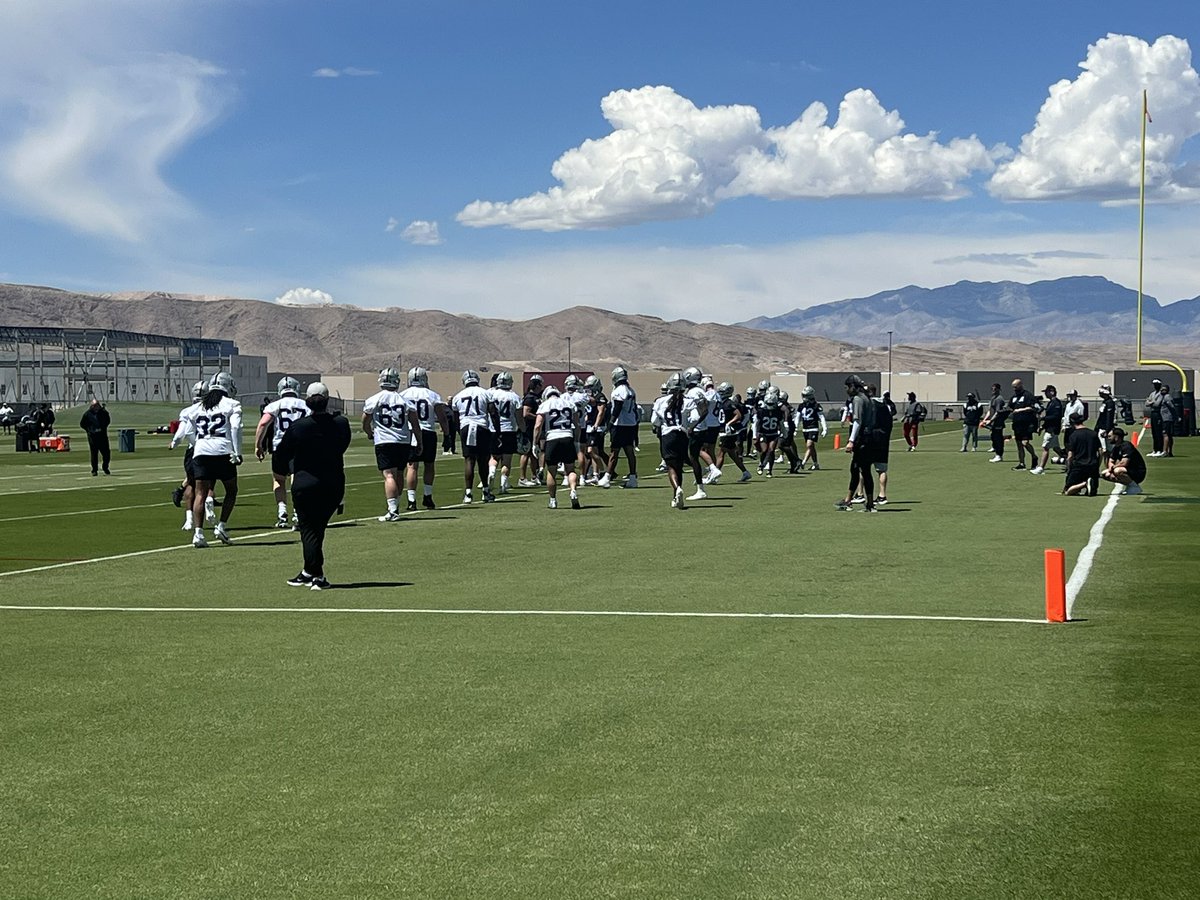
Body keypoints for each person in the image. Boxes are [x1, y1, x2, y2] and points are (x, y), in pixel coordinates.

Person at [272, 382, 352, 591]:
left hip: (306, 483)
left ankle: (316, 574)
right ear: (327, 401)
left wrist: (284, 471)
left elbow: (281, 454)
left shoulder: (299, 427)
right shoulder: (341, 423)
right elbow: (343, 444)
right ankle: (310, 571)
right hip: (333, 483)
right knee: (317, 529)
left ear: (308, 402)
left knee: (310, 530)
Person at [175, 372, 243, 548]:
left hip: (201, 452)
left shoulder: (196, 407)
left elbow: (188, 430)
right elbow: (235, 428)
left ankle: (198, 534)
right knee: (231, 490)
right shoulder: (232, 404)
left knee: (200, 494)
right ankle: (221, 526)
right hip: (222, 451)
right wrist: (237, 452)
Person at [363, 367, 422, 521]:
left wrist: (370, 433)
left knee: (389, 475)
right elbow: (415, 424)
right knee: (399, 473)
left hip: (384, 440)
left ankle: (393, 509)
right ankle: (395, 505)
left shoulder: (374, 399)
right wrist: (419, 441)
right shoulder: (404, 400)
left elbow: (365, 421)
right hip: (403, 440)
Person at [255, 376, 309, 528]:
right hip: (300, 447)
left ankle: (282, 512)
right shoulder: (306, 405)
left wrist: (258, 445)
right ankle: (297, 514)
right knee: (296, 478)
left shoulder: (275, 405)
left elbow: (263, 423)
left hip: (280, 446)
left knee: (278, 479)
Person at [399, 366, 449, 510]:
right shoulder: (432, 395)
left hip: (410, 432)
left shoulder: (403, 395)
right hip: (427, 431)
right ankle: (427, 496)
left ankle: (411, 500)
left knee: (412, 466)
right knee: (429, 465)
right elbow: (442, 418)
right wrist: (446, 434)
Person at [452, 369, 500, 504]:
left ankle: (468, 493)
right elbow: (493, 412)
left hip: (466, 427)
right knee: (483, 460)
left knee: (469, 460)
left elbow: (456, 420)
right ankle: (485, 491)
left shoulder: (457, 396)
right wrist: (497, 431)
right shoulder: (485, 393)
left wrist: (459, 431)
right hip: (481, 427)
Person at [533, 384, 581, 509]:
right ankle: (573, 491)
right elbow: (577, 424)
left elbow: (538, 426)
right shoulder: (568, 403)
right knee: (570, 469)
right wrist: (576, 440)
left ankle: (553, 500)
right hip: (567, 437)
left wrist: (534, 442)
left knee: (551, 471)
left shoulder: (544, 405)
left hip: (552, 439)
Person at [170, 381, 208, 531]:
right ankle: (208, 512)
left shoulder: (188, 411)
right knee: (206, 484)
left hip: (192, 450)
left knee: (192, 483)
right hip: (207, 449)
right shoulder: (213, 409)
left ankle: (189, 520)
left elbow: (182, 432)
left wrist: (174, 443)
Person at [837, 375, 879, 513]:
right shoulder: (867, 399)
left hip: (863, 439)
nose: (847, 390)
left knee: (861, 470)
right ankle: (850, 500)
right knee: (857, 470)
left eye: (848, 387)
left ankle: (868, 504)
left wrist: (851, 440)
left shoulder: (858, 399)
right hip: (869, 438)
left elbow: (857, 421)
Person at [651, 372, 689, 509]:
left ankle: (677, 489)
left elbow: (654, 421)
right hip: (683, 435)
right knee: (679, 466)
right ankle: (676, 496)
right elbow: (694, 418)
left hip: (668, 435)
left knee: (671, 466)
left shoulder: (660, 401)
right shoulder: (688, 400)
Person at [599, 366, 639, 489]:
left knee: (614, 452)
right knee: (629, 452)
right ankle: (632, 478)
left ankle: (607, 477)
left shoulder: (619, 391)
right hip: (630, 424)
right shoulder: (630, 390)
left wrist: (609, 424)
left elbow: (617, 409)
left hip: (620, 424)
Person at [488, 371, 523, 493]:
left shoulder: (490, 394)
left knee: (494, 457)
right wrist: (523, 430)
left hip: (493, 429)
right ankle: (503, 484)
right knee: (506, 460)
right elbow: (519, 417)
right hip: (509, 430)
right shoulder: (515, 397)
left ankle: (491, 472)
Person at [713, 381, 752, 482]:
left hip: (728, 432)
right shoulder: (721, 402)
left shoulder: (729, 403)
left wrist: (729, 423)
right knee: (732, 454)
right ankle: (745, 472)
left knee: (721, 453)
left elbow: (738, 415)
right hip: (724, 430)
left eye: (722, 391)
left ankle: (714, 475)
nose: (720, 393)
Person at [1063, 413, 1101, 497]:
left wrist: (1069, 467)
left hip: (1079, 466)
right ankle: (1089, 483)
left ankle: (1084, 484)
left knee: (1068, 491)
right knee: (1092, 492)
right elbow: (1100, 451)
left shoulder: (1073, 435)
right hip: (1092, 466)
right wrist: (1097, 464)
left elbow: (1070, 455)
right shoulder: (1093, 434)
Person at [1101, 426, 1146, 495]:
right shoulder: (1116, 447)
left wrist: (1113, 468)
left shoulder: (1127, 446)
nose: (1108, 438)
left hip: (1137, 471)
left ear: (1116, 437)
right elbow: (1111, 460)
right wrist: (1110, 468)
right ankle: (1129, 485)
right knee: (1105, 474)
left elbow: (1124, 462)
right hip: (1127, 470)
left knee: (1117, 471)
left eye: (1110, 436)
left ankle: (1134, 487)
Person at [517, 373, 544, 486]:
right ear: (537, 385)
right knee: (526, 453)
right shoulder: (529, 398)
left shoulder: (536, 397)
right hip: (529, 428)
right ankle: (522, 478)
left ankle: (534, 476)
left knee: (534, 453)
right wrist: (539, 417)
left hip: (534, 428)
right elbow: (525, 413)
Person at [1032, 385, 1064, 475]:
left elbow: (1056, 417)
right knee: (1056, 448)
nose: (1045, 394)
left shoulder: (1056, 403)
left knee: (1045, 447)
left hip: (1053, 429)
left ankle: (1041, 468)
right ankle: (1068, 460)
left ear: (1052, 392)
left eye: (1046, 392)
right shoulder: (1050, 403)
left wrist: (1044, 418)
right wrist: (1042, 426)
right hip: (1049, 428)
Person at [1008, 379, 1039, 471]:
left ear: (1021, 385)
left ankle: (1034, 456)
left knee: (1025, 443)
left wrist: (1020, 410)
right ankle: (1022, 463)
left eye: (1016, 387)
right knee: (1019, 444)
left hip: (1026, 423)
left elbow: (1033, 407)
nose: (1014, 389)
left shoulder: (1028, 395)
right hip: (1017, 424)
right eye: (1013, 387)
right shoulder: (1014, 397)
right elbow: (1010, 406)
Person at [797, 386, 827, 471]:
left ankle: (803, 463)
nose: (804, 397)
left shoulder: (816, 405)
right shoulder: (801, 406)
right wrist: (795, 427)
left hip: (813, 427)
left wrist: (824, 428)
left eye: (806, 395)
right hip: (805, 428)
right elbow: (797, 417)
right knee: (811, 447)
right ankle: (815, 464)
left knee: (809, 445)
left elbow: (821, 417)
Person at [79, 398, 112, 476]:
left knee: (106, 453)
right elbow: (82, 424)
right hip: (93, 437)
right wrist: (89, 430)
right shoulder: (87, 414)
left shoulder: (103, 413)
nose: (96, 407)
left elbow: (108, 420)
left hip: (102, 436)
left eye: (97, 405)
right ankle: (94, 470)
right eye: (95, 405)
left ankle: (105, 467)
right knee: (94, 454)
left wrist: (103, 428)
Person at [981, 383, 1008, 462]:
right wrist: (985, 419)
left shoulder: (999, 399)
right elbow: (990, 410)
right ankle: (997, 454)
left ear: (999, 389)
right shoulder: (993, 398)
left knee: (998, 439)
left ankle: (999, 455)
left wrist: (991, 420)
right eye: (992, 389)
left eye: (995, 389)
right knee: (994, 437)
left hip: (998, 422)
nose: (993, 390)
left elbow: (998, 412)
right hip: (993, 423)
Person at [1145, 379, 1165, 456]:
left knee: (1158, 432)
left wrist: (1151, 402)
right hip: (1152, 413)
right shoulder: (1152, 393)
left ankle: (1159, 449)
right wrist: (1151, 402)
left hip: (1158, 413)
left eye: (1156, 384)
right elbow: (1147, 402)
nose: (1155, 386)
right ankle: (1155, 449)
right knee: (1154, 432)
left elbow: (1157, 404)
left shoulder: (1161, 394)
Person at [1156, 383, 1176, 458]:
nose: (1162, 390)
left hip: (1167, 418)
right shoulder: (1163, 396)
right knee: (1169, 435)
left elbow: (1171, 406)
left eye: (1164, 389)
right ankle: (1169, 452)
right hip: (1166, 418)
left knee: (1165, 434)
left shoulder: (1167, 397)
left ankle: (1165, 451)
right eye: (1162, 389)